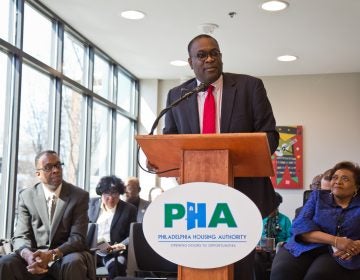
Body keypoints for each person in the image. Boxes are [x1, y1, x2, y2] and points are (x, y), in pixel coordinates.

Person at [161, 34, 279, 280]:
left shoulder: (249, 86)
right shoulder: (176, 95)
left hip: (242, 193)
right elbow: (170, 139)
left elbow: (270, 135)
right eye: (202, 55)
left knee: (239, 268)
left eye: (215, 53)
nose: (210, 59)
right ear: (190, 62)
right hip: (197, 200)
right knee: (199, 264)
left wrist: (235, 155)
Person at [0, 150, 95, 280]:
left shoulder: (79, 196)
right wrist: (28, 256)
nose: (55, 170)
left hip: (64, 256)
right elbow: (21, 236)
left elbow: (77, 238)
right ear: (38, 174)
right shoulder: (26, 196)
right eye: (48, 167)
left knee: (74, 261)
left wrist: (51, 255)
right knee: (6, 262)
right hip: (34, 256)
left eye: (58, 165)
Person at [270, 161, 360, 280]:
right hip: (303, 246)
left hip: (337, 253)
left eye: (345, 179)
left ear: (356, 187)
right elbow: (299, 225)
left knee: (318, 276)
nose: (338, 181)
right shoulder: (317, 197)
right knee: (282, 272)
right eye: (335, 177)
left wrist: (357, 245)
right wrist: (336, 240)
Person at [88, 175, 137, 278]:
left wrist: (121, 245)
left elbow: (132, 235)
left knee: (117, 265)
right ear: (101, 193)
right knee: (76, 263)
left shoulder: (129, 209)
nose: (111, 198)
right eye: (107, 193)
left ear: (120, 194)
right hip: (91, 250)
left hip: (113, 251)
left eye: (115, 193)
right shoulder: (89, 204)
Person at [255, 192, 291, 280]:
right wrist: (256, 246)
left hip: (279, 251)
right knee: (255, 260)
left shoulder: (285, 220)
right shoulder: (259, 219)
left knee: (282, 262)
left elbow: (291, 237)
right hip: (261, 252)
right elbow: (253, 238)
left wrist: (283, 244)